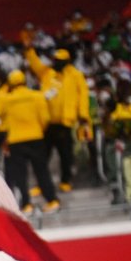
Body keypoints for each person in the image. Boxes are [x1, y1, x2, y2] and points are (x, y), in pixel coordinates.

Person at [25, 48, 90, 192]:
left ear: (66, 62)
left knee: (65, 155)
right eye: (55, 60)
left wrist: (83, 114)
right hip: (47, 122)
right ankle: (41, 184)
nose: (56, 63)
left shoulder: (76, 75)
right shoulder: (48, 73)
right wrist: (30, 51)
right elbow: (36, 65)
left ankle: (65, 181)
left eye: (59, 61)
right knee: (42, 155)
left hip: (65, 122)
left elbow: (83, 95)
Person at [1, 69, 60, 215]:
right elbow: (45, 119)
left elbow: (2, 121)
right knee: (42, 171)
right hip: (35, 137)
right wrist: (38, 129)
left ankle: (26, 205)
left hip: (16, 140)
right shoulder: (37, 96)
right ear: (24, 82)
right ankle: (52, 200)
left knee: (20, 174)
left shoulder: (6, 100)